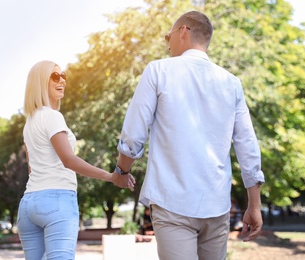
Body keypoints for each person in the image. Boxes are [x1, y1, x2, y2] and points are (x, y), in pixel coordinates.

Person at [115, 11, 265, 260]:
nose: (167, 43)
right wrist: (255, 205)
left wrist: (122, 172)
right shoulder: (231, 82)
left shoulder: (158, 71)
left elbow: (133, 136)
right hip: (216, 206)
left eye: (168, 36)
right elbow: (247, 146)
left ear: (183, 31)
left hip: (172, 201)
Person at [17, 60, 135, 260]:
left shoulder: (29, 123)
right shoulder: (53, 117)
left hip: (29, 204)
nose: (62, 79)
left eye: (63, 75)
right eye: (55, 76)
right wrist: (111, 176)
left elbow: (31, 168)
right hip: (57, 200)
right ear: (40, 82)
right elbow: (68, 160)